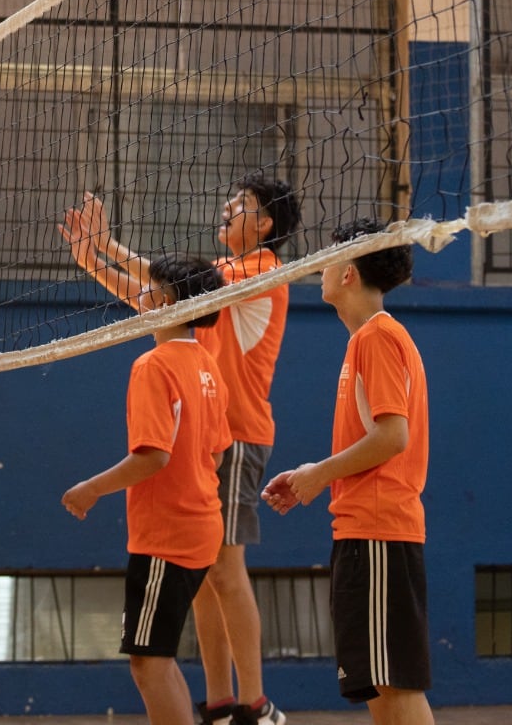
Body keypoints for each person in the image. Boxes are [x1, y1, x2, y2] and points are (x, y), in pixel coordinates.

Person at [62, 174, 300, 725]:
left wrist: (107, 244)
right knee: (201, 575)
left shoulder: (264, 270)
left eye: (240, 204)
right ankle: (219, 701)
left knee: (225, 569)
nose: (226, 206)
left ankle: (256, 703)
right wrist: (92, 261)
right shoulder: (197, 304)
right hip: (208, 428)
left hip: (238, 431)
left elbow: (177, 286)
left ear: (264, 224)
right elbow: (159, 300)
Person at [262, 220, 434, 725]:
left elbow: (392, 437)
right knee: (380, 689)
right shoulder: (367, 339)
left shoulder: (377, 338)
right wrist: (313, 476)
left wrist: (317, 476)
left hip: (380, 529)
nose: (321, 265)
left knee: (394, 685)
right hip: (363, 530)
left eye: (331, 258)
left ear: (350, 274)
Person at [59, 246, 232, 725]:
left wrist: (92, 487)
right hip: (202, 527)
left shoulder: (153, 366)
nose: (141, 292)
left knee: (148, 662)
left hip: (168, 536)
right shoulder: (207, 365)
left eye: (151, 287)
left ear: (167, 302)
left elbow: (153, 455)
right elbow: (216, 451)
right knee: (156, 656)